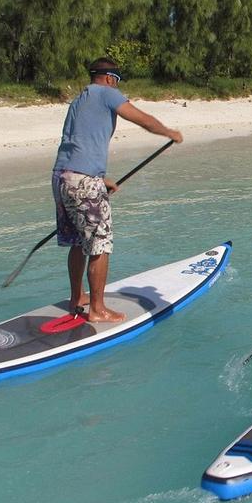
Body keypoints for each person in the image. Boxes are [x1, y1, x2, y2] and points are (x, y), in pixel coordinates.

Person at [52, 57, 182, 322]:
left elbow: (78, 144)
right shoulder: (107, 93)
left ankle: (77, 297)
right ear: (111, 78)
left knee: (78, 240)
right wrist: (169, 132)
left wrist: (101, 179)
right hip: (83, 180)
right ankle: (97, 310)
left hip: (62, 177)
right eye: (117, 81)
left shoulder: (79, 100)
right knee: (99, 243)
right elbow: (142, 119)